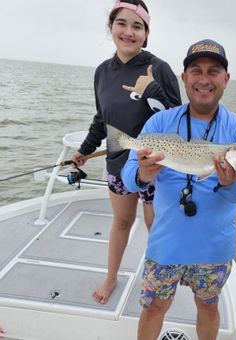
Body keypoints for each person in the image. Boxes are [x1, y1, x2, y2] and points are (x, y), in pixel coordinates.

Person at [121, 38, 236, 340]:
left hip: (214, 247)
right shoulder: (159, 123)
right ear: (184, 78)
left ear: (226, 79)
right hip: (165, 243)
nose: (204, 79)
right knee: (154, 307)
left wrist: (229, 184)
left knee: (208, 307)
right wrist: (143, 174)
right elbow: (129, 177)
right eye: (196, 71)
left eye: (213, 71)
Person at [71, 0, 181, 304]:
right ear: (111, 27)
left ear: (146, 34)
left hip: (154, 167)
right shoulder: (102, 72)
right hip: (118, 163)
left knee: (154, 226)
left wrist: (150, 90)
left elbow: (179, 120)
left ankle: (161, 279)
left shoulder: (158, 69)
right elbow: (101, 118)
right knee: (121, 221)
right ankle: (111, 276)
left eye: (137, 26)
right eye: (122, 23)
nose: (129, 32)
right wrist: (84, 150)